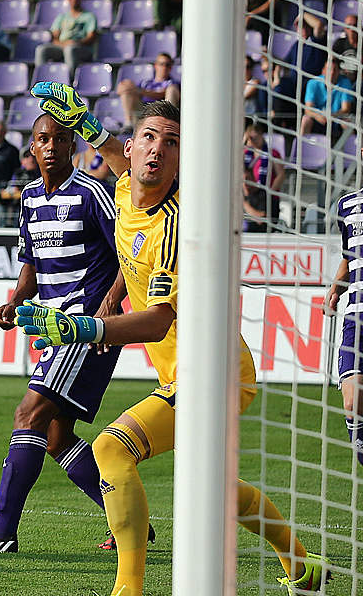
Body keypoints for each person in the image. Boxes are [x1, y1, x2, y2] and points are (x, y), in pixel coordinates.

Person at [25, 85, 328, 594]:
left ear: (182, 157)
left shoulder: (174, 223)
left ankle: (129, 588)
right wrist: (87, 126)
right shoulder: (124, 188)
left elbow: (157, 321)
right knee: (212, 491)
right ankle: (302, 565)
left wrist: (85, 326)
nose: (156, 149)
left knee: (111, 448)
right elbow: (122, 163)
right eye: (149, 137)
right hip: (187, 370)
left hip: (212, 371)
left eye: (172, 142)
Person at [0, 113, 125, 553]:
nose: (50, 146)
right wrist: (15, 301)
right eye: (43, 139)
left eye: (60, 139)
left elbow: (129, 250)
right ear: (32, 148)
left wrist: (106, 307)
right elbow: (31, 265)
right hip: (52, 326)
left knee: (28, 415)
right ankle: (130, 521)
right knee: (55, 438)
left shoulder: (92, 193)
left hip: (86, 327)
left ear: (72, 147)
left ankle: (1, 532)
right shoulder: (28, 197)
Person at [327, 185, 363, 472]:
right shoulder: (346, 204)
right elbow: (349, 255)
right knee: (351, 402)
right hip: (356, 316)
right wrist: (337, 288)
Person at [35, 0, 98, 74]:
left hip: (81, 48)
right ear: (67, 0)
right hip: (62, 46)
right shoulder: (62, 17)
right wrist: (63, 44)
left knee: (69, 49)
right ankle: (41, 79)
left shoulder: (89, 16)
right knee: (41, 49)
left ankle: (69, 81)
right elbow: (54, 37)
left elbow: (91, 37)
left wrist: (77, 43)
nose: (74, 0)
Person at [116, 53, 181, 133]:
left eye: (168, 65)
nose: (164, 67)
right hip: (144, 111)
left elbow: (161, 94)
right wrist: (125, 86)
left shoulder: (172, 83)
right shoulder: (146, 83)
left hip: (162, 111)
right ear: (155, 66)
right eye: (161, 64)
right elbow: (123, 90)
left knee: (172, 90)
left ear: (171, 68)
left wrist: (142, 92)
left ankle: (169, 121)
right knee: (127, 87)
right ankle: (129, 124)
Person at [242, 120, 283, 232]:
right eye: (250, 137)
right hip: (250, 195)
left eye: (255, 137)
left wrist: (269, 191)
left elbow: (280, 175)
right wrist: (244, 141)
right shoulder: (245, 154)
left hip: (267, 196)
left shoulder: (272, 154)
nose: (253, 140)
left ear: (261, 136)